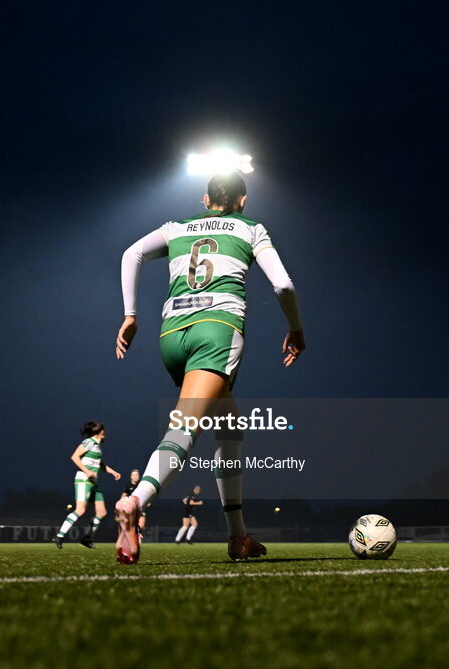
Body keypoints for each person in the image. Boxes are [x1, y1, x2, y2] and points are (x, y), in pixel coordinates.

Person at [114, 170, 305, 565]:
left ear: (205, 200)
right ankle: (135, 503)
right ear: (243, 201)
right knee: (185, 427)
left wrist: (130, 316)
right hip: (215, 331)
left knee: (230, 428)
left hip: (171, 336)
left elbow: (131, 254)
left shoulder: (176, 227)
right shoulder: (251, 228)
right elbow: (283, 285)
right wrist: (296, 329)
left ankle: (238, 536)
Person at [53, 422, 121, 549]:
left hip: (93, 483)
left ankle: (86, 538)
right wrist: (87, 471)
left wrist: (112, 471)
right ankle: (60, 536)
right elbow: (74, 457)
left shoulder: (97, 445)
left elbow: (98, 463)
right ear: (101, 431)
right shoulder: (89, 442)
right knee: (80, 510)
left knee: (101, 512)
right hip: (84, 480)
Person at [121, 469, 147, 541]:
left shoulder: (142, 484)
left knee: (141, 525)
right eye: (133, 475)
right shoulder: (128, 485)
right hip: (131, 507)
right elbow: (123, 496)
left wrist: (148, 501)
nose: (135, 476)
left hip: (141, 506)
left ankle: (136, 536)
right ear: (131, 477)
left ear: (139, 476)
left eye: (136, 475)